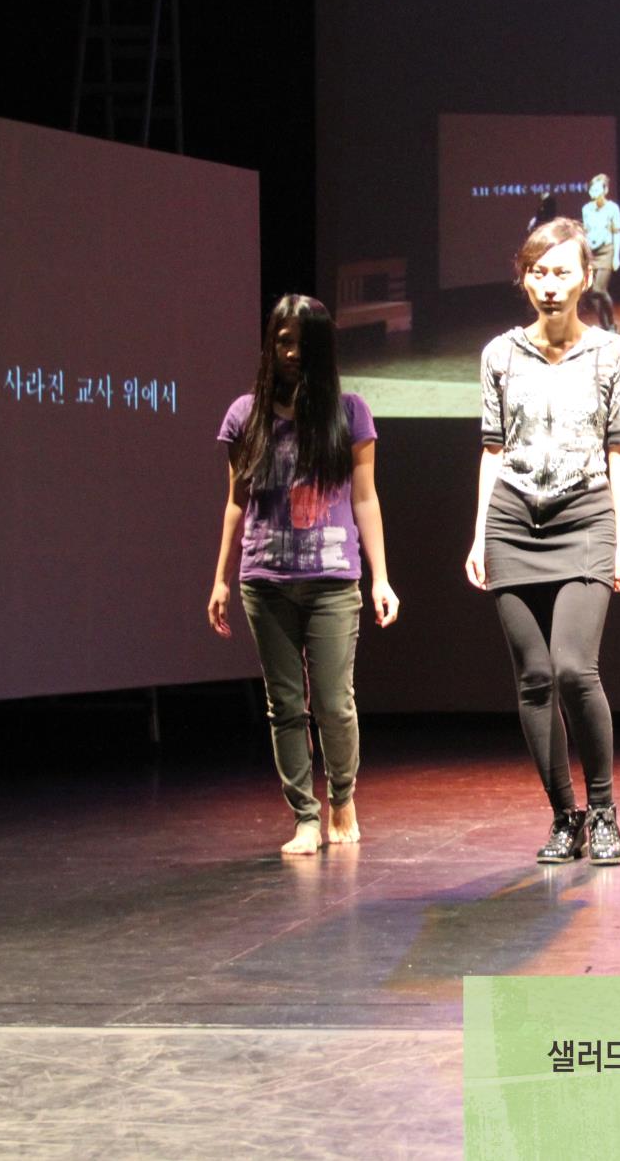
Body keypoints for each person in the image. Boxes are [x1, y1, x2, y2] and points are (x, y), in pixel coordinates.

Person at [466, 218, 620, 865]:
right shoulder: (500, 354)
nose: (549, 284)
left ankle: (603, 810)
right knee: (535, 678)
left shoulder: (611, 354)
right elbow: (493, 449)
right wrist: (480, 534)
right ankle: (565, 816)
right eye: (537, 272)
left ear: (585, 277)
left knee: (573, 667)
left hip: (586, 515)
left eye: (562, 271)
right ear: (524, 278)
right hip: (513, 519)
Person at [208, 294, 398, 855]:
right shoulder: (245, 416)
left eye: (303, 343)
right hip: (264, 581)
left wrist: (381, 577)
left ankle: (342, 797)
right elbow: (236, 503)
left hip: (333, 580)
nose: (292, 353)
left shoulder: (349, 412)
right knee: (285, 706)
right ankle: (305, 819)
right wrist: (220, 579)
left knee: (334, 703)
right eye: (283, 342)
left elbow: (365, 499)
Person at [580, 174, 620, 332]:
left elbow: (617, 232)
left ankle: (611, 323)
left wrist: (616, 256)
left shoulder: (613, 208)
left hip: (606, 251)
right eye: (591, 189)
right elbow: (586, 231)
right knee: (592, 293)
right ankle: (605, 327)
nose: (593, 192)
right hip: (592, 252)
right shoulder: (586, 209)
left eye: (597, 189)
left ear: (605, 190)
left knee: (599, 289)